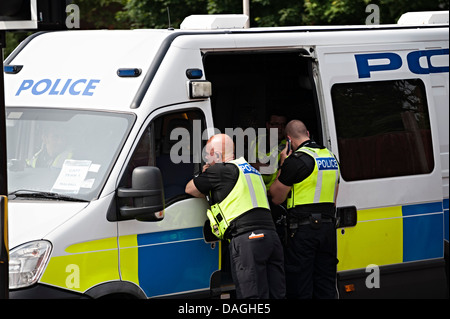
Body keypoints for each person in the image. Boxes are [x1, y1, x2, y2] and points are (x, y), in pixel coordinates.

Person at [185, 134, 285, 299]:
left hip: (248, 240)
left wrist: (206, 174)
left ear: (217, 155)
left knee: (250, 297)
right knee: (277, 295)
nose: (206, 160)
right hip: (271, 238)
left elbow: (190, 189)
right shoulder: (252, 171)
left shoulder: (220, 170)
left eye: (208, 155)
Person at [269, 120, 340, 299]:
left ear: (288, 140)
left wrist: (282, 165)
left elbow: (276, 197)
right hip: (328, 229)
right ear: (308, 133)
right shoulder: (330, 157)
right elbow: (333, 198)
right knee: (325, 282)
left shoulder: (296, 161)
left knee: (300, 284)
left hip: (303, 231)